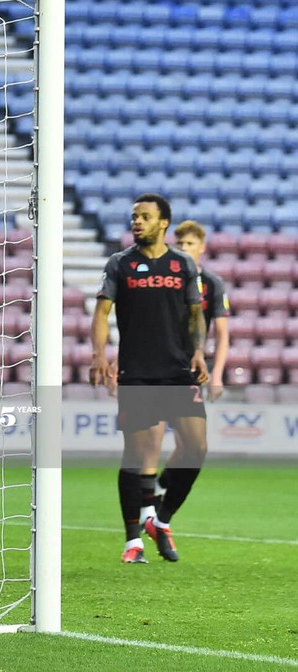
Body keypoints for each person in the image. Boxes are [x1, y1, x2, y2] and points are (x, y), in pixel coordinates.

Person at [90, 194, 208, 564]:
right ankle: (132, 541)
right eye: (134, 216)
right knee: (136, 454)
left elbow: (195, 315)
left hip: (177, 370)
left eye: (145, 216)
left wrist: (199, 351)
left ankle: (161, 517)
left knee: (196, 449)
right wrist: (99, 355)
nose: (136, 222)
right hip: (137, 372)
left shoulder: (183, 264)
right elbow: (101, 311)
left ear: (163, 224)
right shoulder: (119, 264)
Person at [136, 221, 230, 528]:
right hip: (158, 370)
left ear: (202, 247)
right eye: (181, 244)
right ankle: (144, 516)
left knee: (194, 447)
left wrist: (217, 374)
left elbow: (222, 332)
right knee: (154, 442)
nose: (185, 249)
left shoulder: (213, 284)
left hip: (189, 374)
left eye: (191, 244)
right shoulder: (166, 279)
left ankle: (161, 505)